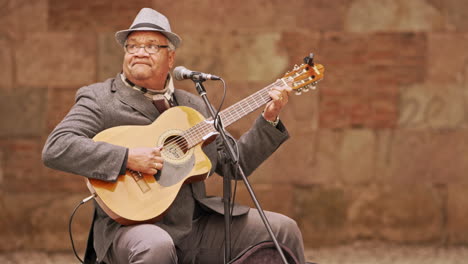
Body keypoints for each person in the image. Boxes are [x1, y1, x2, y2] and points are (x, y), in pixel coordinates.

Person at [42, 7, 306, 264]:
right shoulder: (100, 99)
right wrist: (127, 157)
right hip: (131, 228)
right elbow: (57, 147)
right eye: (132, 46)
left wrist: (269, 118)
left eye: (151, 46)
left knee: (284, 229)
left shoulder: (193, 104)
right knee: (156, 246)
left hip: (194, 225)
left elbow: (235, 165)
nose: (140, 52)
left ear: (170, 58)